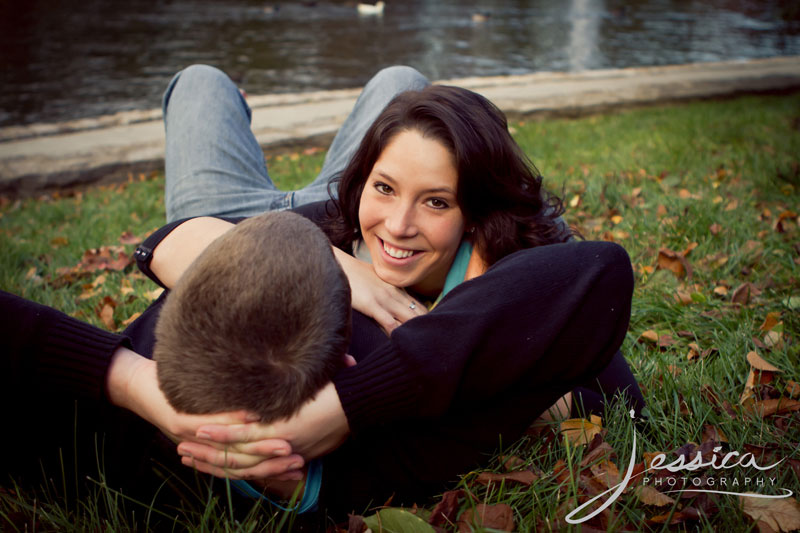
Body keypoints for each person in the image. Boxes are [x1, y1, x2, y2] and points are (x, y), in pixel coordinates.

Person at [129, 64, 646, 516]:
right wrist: (338, 267)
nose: (400, 225)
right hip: (272, 214)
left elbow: (614, 391)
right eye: (387, 188)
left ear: (473, 215)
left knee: (398, 81)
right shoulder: (354, 217)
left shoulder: (507, 270)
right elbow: (162, 246)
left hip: (286, 226)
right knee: (204, 81)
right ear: (369, 180)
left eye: (438, 202)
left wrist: (480, 377)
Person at [0, 210, 351, 516]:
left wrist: (131, 378)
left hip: (233, 221)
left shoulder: (83, 434)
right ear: (346, 369)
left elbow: (164, 242)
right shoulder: (363, 472)